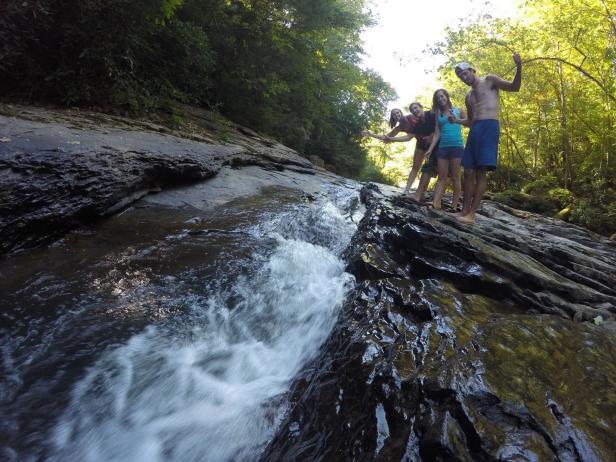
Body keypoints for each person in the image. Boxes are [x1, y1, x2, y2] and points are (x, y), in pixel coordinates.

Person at [454, 53, 522, 224]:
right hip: (475, 130)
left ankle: (472, 215)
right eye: (461, 76)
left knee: (480, 172)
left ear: (472, 70)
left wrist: (519, 66)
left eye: (465, 73)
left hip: (490, 126)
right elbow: (470, 121)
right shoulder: (468, 97)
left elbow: (514, 87)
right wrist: (457, 121)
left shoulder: (490, 80)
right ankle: (464, 211)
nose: (464, 77)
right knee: (468, 172)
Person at [424, 89, 466, 210]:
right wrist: (430, 149)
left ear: (447, 97)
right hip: (442, 148)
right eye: (438, 98)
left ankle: (454, 206)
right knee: (442, 177)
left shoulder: (459, 110)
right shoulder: (438, 115)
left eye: (442, 96)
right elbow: (437, 133)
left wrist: (457, 120)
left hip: (456, 147)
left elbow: (469, 123)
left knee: (455, 177)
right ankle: (436, 203)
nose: (441, 99)